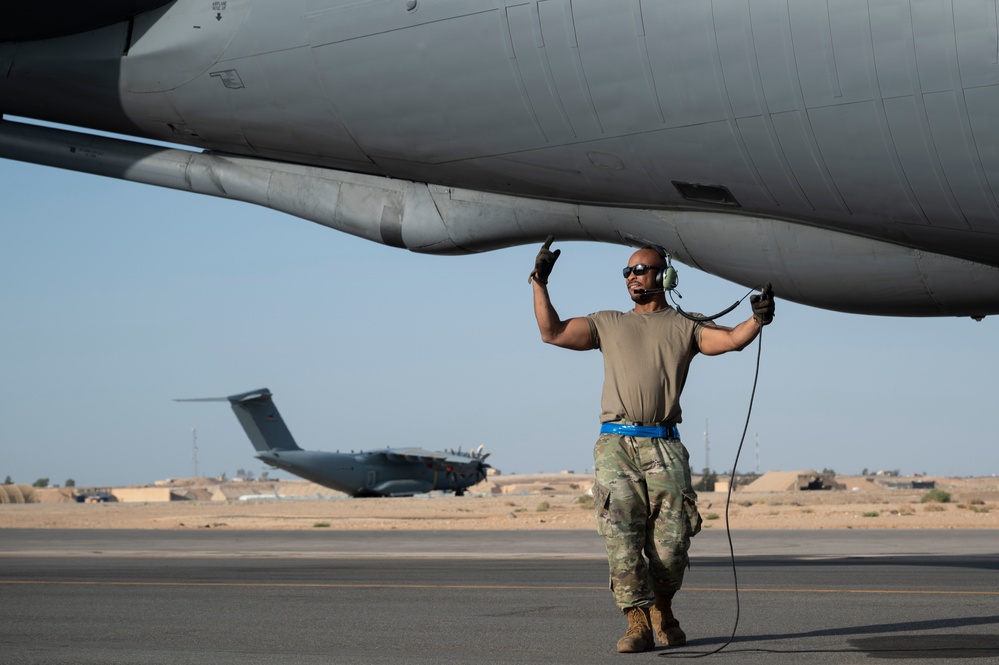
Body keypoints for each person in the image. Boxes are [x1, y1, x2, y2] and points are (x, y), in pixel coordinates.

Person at [529, 236, 774, 654]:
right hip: (616, 446)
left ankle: (663, 606)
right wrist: (539, 282)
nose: (632, 277)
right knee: (621, 538)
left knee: (673, 543)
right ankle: (637, 622)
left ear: (666, 275)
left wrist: (758, 319)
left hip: (664, 446)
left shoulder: (686, 324)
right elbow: (551, 333)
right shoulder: (607, 322)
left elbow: (731, 340)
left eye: (641, 269)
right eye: (627, 271)